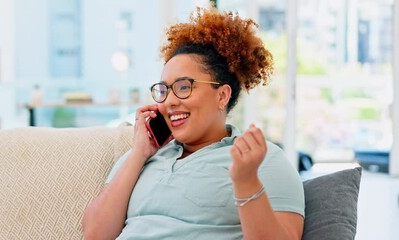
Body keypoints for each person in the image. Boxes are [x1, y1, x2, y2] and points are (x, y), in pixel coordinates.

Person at [83, 7, 304, 240]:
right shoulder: (140, 158)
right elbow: (95, 235)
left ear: (222, 96)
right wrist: (139, 153)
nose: (169, 102)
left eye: (184, 87)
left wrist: (246, 181)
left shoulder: (264, 161)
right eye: (164, 90)